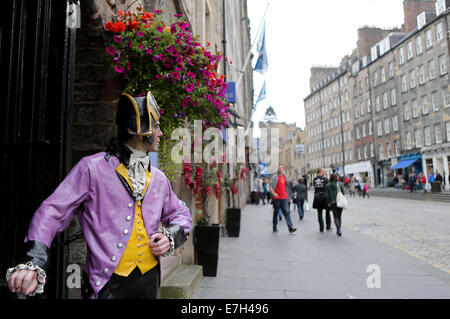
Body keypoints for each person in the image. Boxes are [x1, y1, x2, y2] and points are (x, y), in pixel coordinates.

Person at [6, 91, 192, 299]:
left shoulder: (158, 178)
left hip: (149, 281)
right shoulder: (91, 169)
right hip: (107, 285)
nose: (160, 133)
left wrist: (171, 236)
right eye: (156, 126)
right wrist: (34, 259)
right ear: (137, 129)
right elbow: (52, 211)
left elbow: (181, 214)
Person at [269, 165, 297, 233]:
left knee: (286, 212)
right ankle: (274, 227)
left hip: (284, 197)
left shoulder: (285, 177)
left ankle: (290, 227)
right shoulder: (274, 177)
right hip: (277, 198)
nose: (280, 169)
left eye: (281, 168)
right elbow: (270, 187)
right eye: (279, 168)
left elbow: (289, 187)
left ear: (283, 169)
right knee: (276, 213)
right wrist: (273, 193)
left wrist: (289, 197)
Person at [312, 168, 332, 232]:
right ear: (321, 171)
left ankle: (321, 228)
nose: (325, 172)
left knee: (319, 213)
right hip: (324, 196)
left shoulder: (314, 179)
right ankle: (328, 226)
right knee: (327, 212)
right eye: (324, 171)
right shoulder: (325, 179)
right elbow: (328, 188)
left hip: (317, 197)